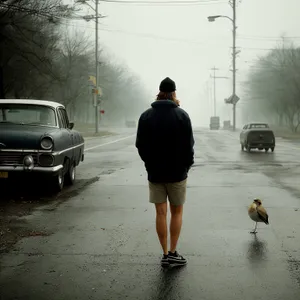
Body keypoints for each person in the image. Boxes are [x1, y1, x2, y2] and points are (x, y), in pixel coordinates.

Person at [135, 77, 195, 267]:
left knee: (160, 213)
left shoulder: (146, 116)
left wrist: (149, 164)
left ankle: (164, 254)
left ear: (159, 93)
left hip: (155, 174)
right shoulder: (182, 116)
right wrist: (186, 166)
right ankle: (173, 253)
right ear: (173, 93)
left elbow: (140, 145)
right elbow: (189, 146)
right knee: (176, 212)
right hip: (177, 173)